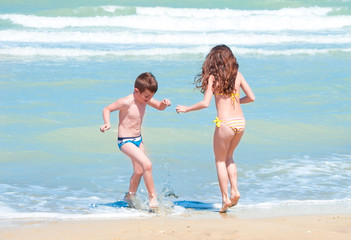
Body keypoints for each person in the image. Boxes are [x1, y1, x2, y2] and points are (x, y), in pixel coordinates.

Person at [176, 45, 255, 213]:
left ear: (213, 61)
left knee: (220, 160)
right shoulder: (238, 75)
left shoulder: (213, 78)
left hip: (225, 123)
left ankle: (226, 198)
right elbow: (251, 97)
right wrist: (235, 101)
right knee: (230, 157)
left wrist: (187, 108)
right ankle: (235, 190)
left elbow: (205, 103)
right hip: (240, 123)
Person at [100, 72, 171, 209]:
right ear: (136, 91)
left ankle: (130, 197)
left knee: (139, 171)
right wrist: (107, 123)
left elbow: (159, 107)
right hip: (125, 141)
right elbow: (107, 109)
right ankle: (153, 199)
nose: (149, 99)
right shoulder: (126, 102)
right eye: (146, 96)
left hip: (138, 139)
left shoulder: (145, 98)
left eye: (151, 96)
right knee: (147, 165)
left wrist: (164, 104)